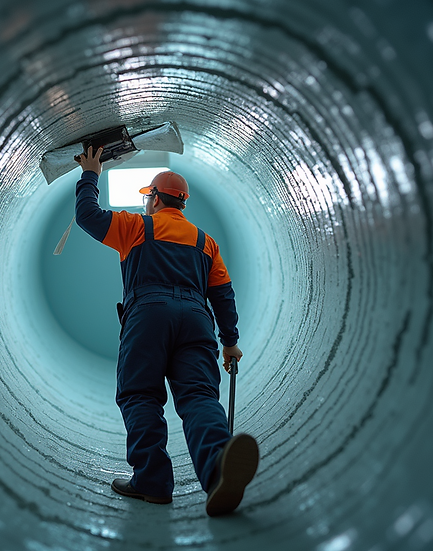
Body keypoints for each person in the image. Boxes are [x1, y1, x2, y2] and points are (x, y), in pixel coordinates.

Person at [73, 146, 259, 517]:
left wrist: (90, 173)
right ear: (182, 203)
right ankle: (218, 469)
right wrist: (231, 342)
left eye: (148, 197)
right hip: (196, 319)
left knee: (140, 394)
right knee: (199, 398)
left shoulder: (137, 228)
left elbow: (87, 216)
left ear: (156, 198)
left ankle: (152, 481)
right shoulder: (206, 242)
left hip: (148, 315)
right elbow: (222, 294)